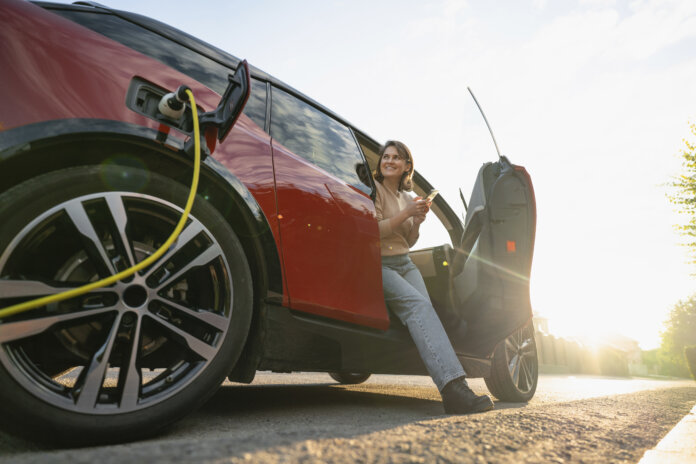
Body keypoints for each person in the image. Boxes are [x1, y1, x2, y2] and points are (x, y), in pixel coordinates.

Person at [374, 140, 494, 414]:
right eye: (386, 156)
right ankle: (454, 389)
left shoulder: (406, 197)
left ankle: (451, 382)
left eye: (396, 158)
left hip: (405, 263)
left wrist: (416, 221)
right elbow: (374, 231)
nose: (389, 161)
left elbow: (408, 241)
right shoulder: (376, 190)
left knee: (425, 313)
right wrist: (406, 213)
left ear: (407, 166)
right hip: (380, 264)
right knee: (418, 307)